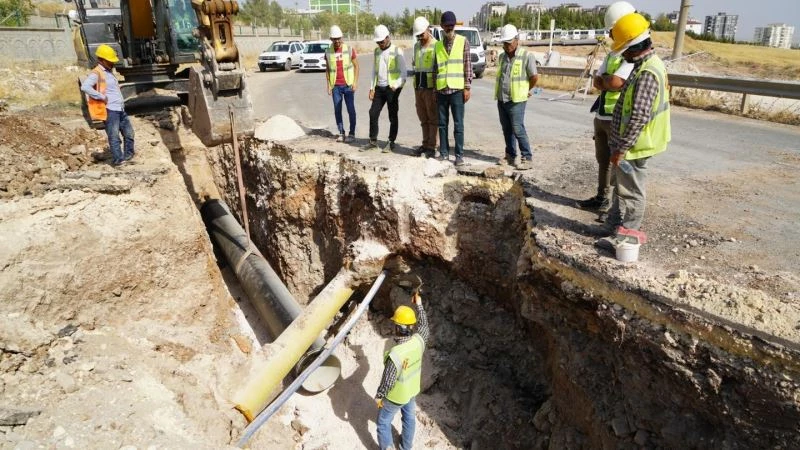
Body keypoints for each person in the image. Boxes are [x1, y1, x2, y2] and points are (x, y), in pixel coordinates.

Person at [596, 12, 671, 250]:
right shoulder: (642, 66)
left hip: (637, 146)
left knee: (632, 193)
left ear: (633, 46)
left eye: (624, 50)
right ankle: (614, 229)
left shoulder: (648, 72)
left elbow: (638, 116)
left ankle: (627, 238)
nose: (623, 55)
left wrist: (622, 147)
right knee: (622, 187)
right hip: (630, 144)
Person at [577, 1, 636, 213]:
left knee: (617, 165)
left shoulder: (632, 53)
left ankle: (614, 210)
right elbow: (598, 79)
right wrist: (605, 81)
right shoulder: (613, 53)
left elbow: (615, 83)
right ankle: (602, 198)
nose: (611, 35)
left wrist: (606, 81)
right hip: (602, 114)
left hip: (618, 119)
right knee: (603, 161)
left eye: (613, 30)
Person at [376, 292, 428, 450]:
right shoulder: (420, 341)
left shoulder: (396, 354)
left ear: (397, 327)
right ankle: (406, 447)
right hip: (411, 391)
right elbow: (424, 326)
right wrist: (419, 304)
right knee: (409, 418)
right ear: (412, 326)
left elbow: (388, 382)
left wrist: (380, 396)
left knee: (383, 423)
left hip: (395, 396)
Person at [80, 44, 135, 167]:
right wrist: (101, 97)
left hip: (120, 109)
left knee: (129, 133)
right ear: (102, 60)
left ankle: (128, 156)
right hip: (110, 110)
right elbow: (85, 87)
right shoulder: (97, 73)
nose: (112, 63)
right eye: (110, 61)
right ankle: (118, 161)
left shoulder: (109, 72)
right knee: (114, 136)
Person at [494, 24, 539, 171]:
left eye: (509, 42)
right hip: (502, 99)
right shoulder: (501, 57)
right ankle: (510, 155)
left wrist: (526, 89)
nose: (507, 46)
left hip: (517, 100)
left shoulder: (526, 56)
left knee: (518, 128)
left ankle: (527, 157)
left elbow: (534, 77)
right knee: (506, 129)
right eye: (504, 43)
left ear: (517, 40)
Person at [433, 11, 472, 166]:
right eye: (446, 25)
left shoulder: (463, 42)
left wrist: (467, 87)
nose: (449, 28)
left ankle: (459, 155)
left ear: (454, 25)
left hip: (457, 90)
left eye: (451, 25)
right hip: (442, 90)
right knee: (442, 124)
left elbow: (467, 65)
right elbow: (435, 69)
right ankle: (443, 153)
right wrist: (435, 91)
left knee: (458, 124)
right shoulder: (437, 45)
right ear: (442, 26)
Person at [362, 24, 407, 153]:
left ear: (388, 38)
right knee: (373, 113)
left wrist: (396, 85)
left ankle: (391, 141)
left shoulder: (397, 51)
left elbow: (404, 73)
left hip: (392, 89)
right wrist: (371, 87)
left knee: (392, 116)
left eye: (381, 41)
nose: (380, 44)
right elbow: (374, 71)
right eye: (378, 42)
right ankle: (373, 141)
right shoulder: (377, 51)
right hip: (379, 88)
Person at [325, 25, 359, 143]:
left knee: (351, 109)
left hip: (348, 85)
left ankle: (352, 133)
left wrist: (355, 82)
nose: (337, 41)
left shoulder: (349, 49)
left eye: (339, 38)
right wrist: (329, 85)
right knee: (337, 109)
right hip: (336, 87)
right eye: (335, 39)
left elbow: (356, 66)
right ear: (331, 39)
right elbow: (328, 69)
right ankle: (341, 132)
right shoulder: (328, 52)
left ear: (342, 37)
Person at [410, 17, 438, 158]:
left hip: (430, 88)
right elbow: (415, 66)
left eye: (422, 34)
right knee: (423, 118)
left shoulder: (436, 46)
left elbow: (438, 70)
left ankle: (432, 147)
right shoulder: (416, 46)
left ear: (428, 30)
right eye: (418, 35)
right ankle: (425, 143)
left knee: (433, 118)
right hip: (419, 88)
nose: (420, 37)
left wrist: (435, 90)